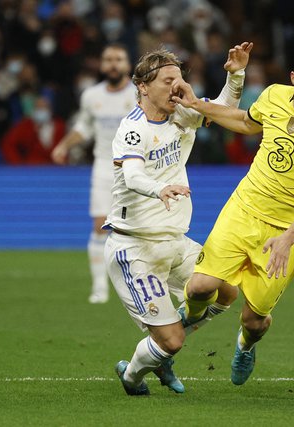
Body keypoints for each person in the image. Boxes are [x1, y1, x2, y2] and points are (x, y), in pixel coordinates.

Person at [171, 47, 294, 385]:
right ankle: (184, 323)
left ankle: (245, 345)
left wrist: (287, 239)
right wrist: (197, 104)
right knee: (199, 287)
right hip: (245, 207)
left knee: (255, 320)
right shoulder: (273, 96)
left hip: (287, 230)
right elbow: (244, 122)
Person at [104, 42, 252, 395]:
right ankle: (133, 375)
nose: (176, 86)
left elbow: (222, 110)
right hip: (135, 247)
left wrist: (236, 74)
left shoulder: (181, 114)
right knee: (171, 341)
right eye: (167, 80)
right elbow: (134, 175)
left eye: (179, 79)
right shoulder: (132, 129)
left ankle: (162, 346)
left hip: (175, 241)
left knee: (226, 291)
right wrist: (160, 190)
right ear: (143, 86)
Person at [51, 44, 137, 304]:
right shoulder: (91, 96)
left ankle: (139, 284)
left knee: (138, 229)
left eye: (118, 59)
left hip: (135, 167)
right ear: (101, 65)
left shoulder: (139, 95)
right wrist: (64, 145)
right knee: (100, 225)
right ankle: (100, 287)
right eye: (108, 59)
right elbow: (84, 127)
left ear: (127, 64)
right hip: (103, 166)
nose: (113, 64)